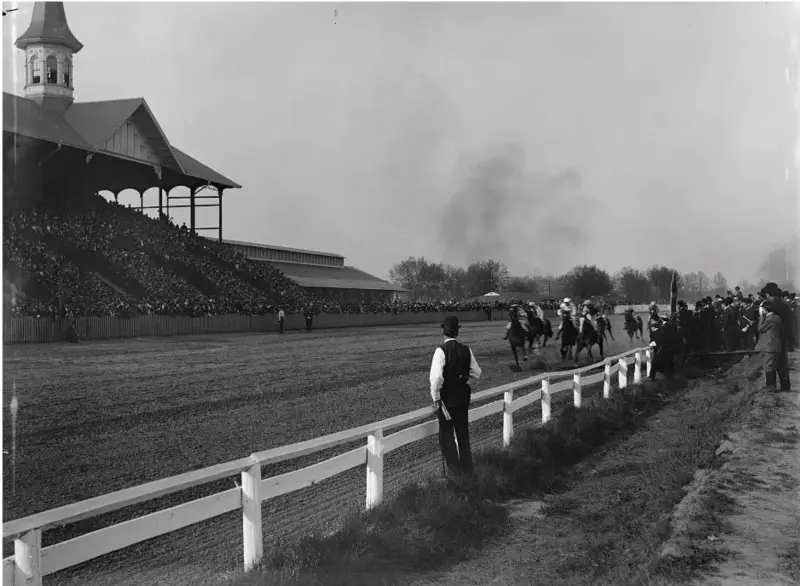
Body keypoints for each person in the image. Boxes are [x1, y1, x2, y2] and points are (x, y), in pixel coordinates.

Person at [429, 315, 482, 476]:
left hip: (447, 400)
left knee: (447, 436)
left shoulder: (441, 351)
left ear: (443, 332)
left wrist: (435, 397)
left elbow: (437, 378)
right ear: (457, 332)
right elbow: (477, 372)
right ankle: (468, 469)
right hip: (463, 397)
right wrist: (462, 375)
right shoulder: (466, 350)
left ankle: (455, 472)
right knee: (463, 434)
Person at [761, 282, 793, 390]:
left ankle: (771, 386)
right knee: (782, 362)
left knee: (771, 362)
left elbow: (765, 325)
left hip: (773, 337)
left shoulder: (771, 306)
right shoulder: (784, 305)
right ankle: (785, 385)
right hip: (782, 337)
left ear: (769, 294)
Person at [755, 300, 782, 391]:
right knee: (772, 366)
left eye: (761, 309)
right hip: (774, 344)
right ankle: (771, 385)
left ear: (765, 309)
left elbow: (760, 329)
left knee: (768, 367)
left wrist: (761, 317)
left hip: (769, 345)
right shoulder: (777, 317)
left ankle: (770, 386)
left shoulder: (769, 319)